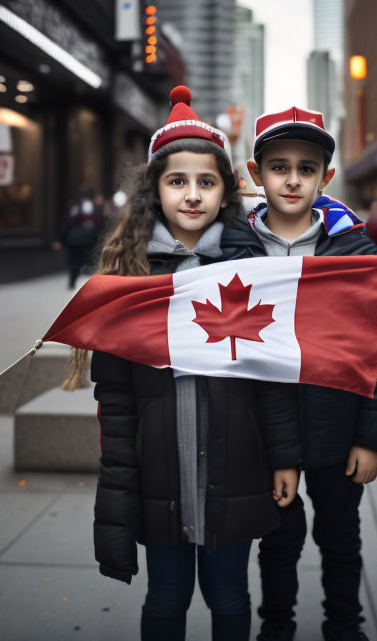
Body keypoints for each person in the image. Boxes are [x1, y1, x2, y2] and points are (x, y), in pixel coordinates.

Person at [64, 86, 302, 641]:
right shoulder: (131, 282)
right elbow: (116, 397)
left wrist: (285, 458)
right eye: (177, 181)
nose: (192, 194)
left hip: (238, 467)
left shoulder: (254, 272)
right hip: (160, 473)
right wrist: (120, 475)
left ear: (225, 193)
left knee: (230, 596)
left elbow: (273, 379)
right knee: (166, 598)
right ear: (156, 192)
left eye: (206, 181)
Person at [221, 106, 377, 641]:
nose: (292, 179)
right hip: (262, 427)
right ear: (256, 175)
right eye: (279, 166)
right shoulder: (235, 249)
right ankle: (276, 625)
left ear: (325, 176)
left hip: (337, 423)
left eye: (306, 167)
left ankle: (343, 624)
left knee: (340, 534)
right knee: (276, 537)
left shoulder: (355, 253)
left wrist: (372, 437)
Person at [57, 186, 107, 288]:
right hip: (89, 240)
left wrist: (62, 238)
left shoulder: (76, 207)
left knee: (73, 261)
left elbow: (67, 223)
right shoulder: (94, 208)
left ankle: (72, 281)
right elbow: (99, 223)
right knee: (89, 262)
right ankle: (90, 286)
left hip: (74, 240)